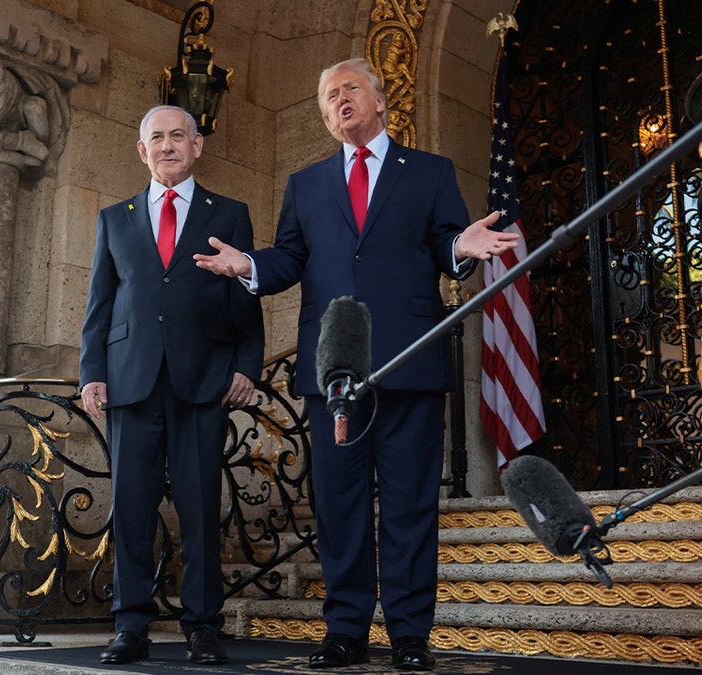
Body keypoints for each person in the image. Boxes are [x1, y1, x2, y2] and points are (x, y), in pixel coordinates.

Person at [194, 58, 518, 671]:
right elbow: (290, 258)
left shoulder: (428, 172)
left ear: (380, 100)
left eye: (347, 89)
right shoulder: (306, 183)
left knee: (408, 503)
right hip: (334, 366)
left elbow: (449, 241)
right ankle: (344, 630)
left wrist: (460, 248)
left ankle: (409, 635)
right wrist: (250, 267)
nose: (335, 101)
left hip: (410, 359)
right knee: (340, 503)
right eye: (325, 97)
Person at [79, 105, 264, 667]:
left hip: (203, 378)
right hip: (131, 380)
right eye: (155, 138)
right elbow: (100, 304)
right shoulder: (115, 217)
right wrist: (92, 372)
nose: (166, 146)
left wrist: (246, 365)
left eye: (177, 136)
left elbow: (245, 299)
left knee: (201, 506)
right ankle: (130, 625)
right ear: (142, 150)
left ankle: (202, 625)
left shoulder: (230, 213)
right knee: (131, 507)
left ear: (196, 145)